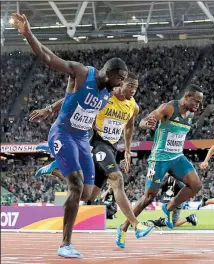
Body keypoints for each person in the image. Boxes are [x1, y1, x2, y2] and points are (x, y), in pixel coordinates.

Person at [10, 12, 132, 258]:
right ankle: (65, 244)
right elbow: (48, 57)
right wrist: (27, 34)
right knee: (75, 187)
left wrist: (51, 106)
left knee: (87, 194)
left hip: (81, 140)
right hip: (63, 134)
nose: (120, 85)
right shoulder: (80, 73)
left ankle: (55, 168)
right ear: (111, 73)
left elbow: (66, 100)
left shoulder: (108, 93)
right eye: (120, 80)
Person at [30, 74, 154, 246]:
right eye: (130, 85)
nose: (133, 90)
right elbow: (73, 99)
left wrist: (127, 150)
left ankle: (56, 170)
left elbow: (129, 127)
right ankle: (136, 225)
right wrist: (49, 109)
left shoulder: (133, 106)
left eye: (136, 87)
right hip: (96, 142)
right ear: (119, 84)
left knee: (89, 195)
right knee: (116, 179)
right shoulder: (106, 95)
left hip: (111, 148)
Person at [116, 84, 204, 248]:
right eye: (196, 101)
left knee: (196, 185)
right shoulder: (169, 108)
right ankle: (123, 228)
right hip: (159, 159)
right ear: (187, 96)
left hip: (177, 157)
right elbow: (144, 121)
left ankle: (169, 206)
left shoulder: (191, 115)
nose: (198, 105)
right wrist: (146, 123)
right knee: (148, 197)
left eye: (200, 103)